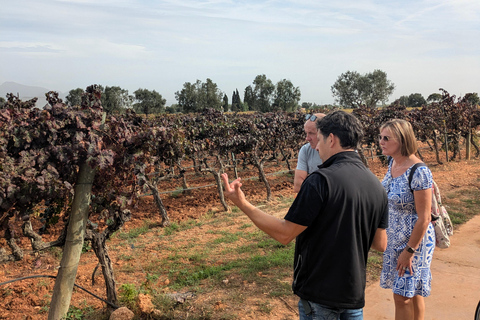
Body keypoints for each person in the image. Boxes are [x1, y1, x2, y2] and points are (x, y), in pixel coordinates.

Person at [221, 110, 388, 319]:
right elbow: (380, 244)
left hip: (320, 294)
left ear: (332, 139)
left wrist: (242, 203)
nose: (316, 147)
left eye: (319, 139)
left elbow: (285, 234)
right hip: (353, 294)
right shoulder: (377, 186)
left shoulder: (320, 181)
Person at [378, 119, 435, 320]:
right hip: (395, 240)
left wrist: (409, 251)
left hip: (414, 242)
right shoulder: (392, 162)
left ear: (402, 140)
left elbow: (424, 218)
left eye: (387, 138)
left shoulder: (419, 172)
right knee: (413, 294)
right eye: (380, 137)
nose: (381, 142)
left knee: (402, 296)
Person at [294, 113, 325, 193]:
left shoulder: (343, 151)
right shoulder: (305, 150)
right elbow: (298, 186)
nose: (307, 138)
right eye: (306, 133)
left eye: (311, 133)